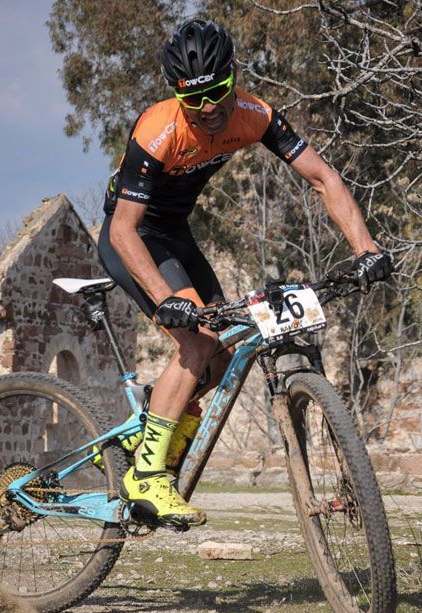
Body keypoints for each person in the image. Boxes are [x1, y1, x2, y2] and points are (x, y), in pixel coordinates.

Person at [96, 18, 392, 526]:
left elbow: (322, 178)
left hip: (175, 233)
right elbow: (124, 230)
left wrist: (366, 248)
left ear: (233, 76)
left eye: (217, 92)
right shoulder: (157, 129)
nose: (209, 110)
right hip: (134, 238)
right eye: (195, 101)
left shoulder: (255, 115)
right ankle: (146, 476)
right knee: (196, 341)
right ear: (178, 97)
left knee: (223, 349)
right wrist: (167, 298)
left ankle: (152, 425)